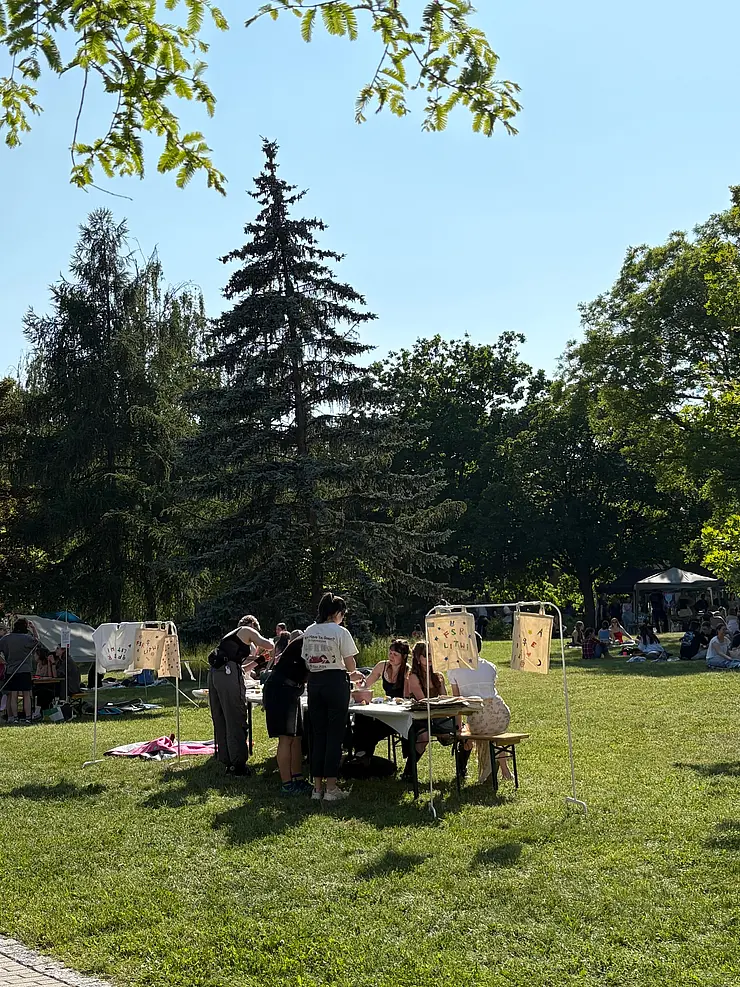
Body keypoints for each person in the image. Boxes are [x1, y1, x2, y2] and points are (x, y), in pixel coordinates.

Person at [303, 592, 359, 802]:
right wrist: (352, 672)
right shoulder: (340, 631)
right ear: (337, 613)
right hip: (335, 682)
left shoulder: (309, 630)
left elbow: (306, 659)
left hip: (314, 682)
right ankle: (332, 788)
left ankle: (317, 788)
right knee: (334, 735)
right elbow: (350, 664)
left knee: (318, 734)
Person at [207, 615, 274, 775]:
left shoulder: (232, 639)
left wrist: (258, 661)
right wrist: (269, 642)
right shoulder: (247, 630)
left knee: (221, 717)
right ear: (252, 625)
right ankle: (238, 765)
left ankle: (227, 760)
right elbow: (269, 645)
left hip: (216, 674)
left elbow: (241, 668)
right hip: (228, 675)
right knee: (235, 716)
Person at [450, 632, 513, 783]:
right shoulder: (490, 667)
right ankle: (505, 770)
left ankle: (488, 770)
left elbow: (458, 703)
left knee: (479, 731)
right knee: (495, 734)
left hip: (477, 716)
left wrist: (458, 727)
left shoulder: (454, 670)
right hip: (500, 713)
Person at [262, 633, 312, 796]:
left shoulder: (311, 638)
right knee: (286, 737)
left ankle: (297, 778)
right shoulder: (311, 639)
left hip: (292, 690)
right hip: (281, 689)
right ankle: (287, 784)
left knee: (296, 737)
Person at [352, 639, 410, 764]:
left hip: (398, 712)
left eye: (395, 655)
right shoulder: (382, 666)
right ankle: (361, 754)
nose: (391, 657)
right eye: (390, 653)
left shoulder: (407, 671)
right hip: (385, 707)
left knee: (373, 728)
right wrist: (361, 685)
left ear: (404, 657)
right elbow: (366, 684)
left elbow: (406, 697)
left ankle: (363, 755)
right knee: (361, 717)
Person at [403, 641, 455, 777]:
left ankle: (461, 771)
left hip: (438, 715)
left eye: (432, 655)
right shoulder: (413, 677)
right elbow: (422, 701)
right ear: (418, 658)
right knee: (424, 737)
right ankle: (408, 772)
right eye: (426, 655)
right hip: (420, 717)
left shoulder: (438, 676)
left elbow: (444, 698)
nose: (430, 658)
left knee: (464, 733)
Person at [0, 618, 40, 724]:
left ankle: (15, 718)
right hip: (24, 670)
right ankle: (27, 717)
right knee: (26, 694)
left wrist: (3, 661)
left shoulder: (6, 638)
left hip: (11, 670)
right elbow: (37, 641)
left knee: (13, 695)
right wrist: (34, 628)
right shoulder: (27, 638)